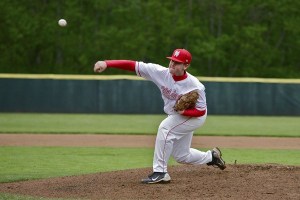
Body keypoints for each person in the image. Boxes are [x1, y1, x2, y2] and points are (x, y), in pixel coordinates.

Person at [93, 48, 226, 184]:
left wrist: (183, 112)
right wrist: (107, 63)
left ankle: (160, 172)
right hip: (177, 115)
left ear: (186, 66)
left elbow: (201, 111)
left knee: (165, 128)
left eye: (177, 63)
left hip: (194, 117)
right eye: (172, 61)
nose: (172, 64)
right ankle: (211, 157)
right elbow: (133, 65)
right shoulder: (160, 72)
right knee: (182, 156)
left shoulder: (195, 86)